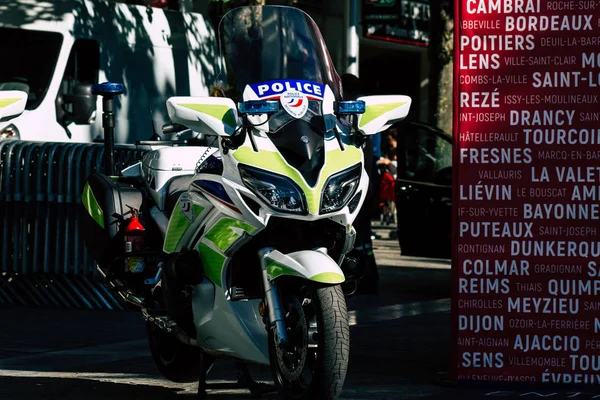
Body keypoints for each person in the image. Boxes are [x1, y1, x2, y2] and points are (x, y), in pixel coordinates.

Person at [341, 73, 379, 295]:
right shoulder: (360, 114)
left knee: (357, 235)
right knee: (362, 236)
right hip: (363, 185)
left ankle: (363, 278)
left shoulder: (354, 115)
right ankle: (367, 277)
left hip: (358, 187)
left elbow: (366, 154)